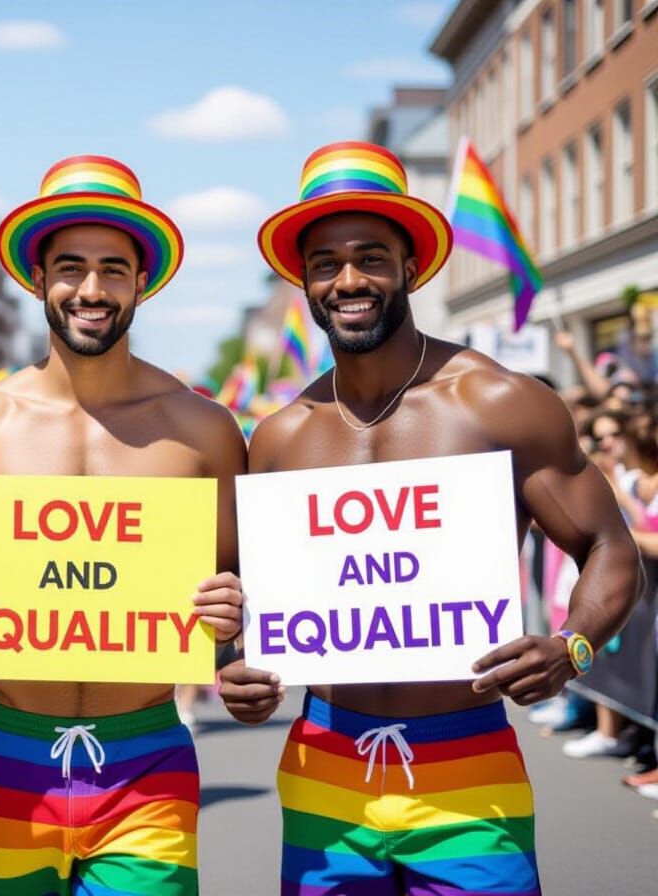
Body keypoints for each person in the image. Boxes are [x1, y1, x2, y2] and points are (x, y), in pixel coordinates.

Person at [219, 141, 641, 895]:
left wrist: (573, 648)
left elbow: (609, 546)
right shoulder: (282, 436)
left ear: (410, 268)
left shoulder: (499, 402)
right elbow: (239, 593)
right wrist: (233, 670)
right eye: (325, 263)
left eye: (371, 257)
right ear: (305, 282)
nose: (349, 279)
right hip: (325, 760)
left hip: (468, 761)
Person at [0, 155, 247, 894]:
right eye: (70, 268)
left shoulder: (204, 430)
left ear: (141, 282)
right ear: (38, 281)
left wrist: (236, 629)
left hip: (149, 755)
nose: (90, 290)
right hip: (10, 751)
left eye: (112, 270)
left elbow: (244, 602)